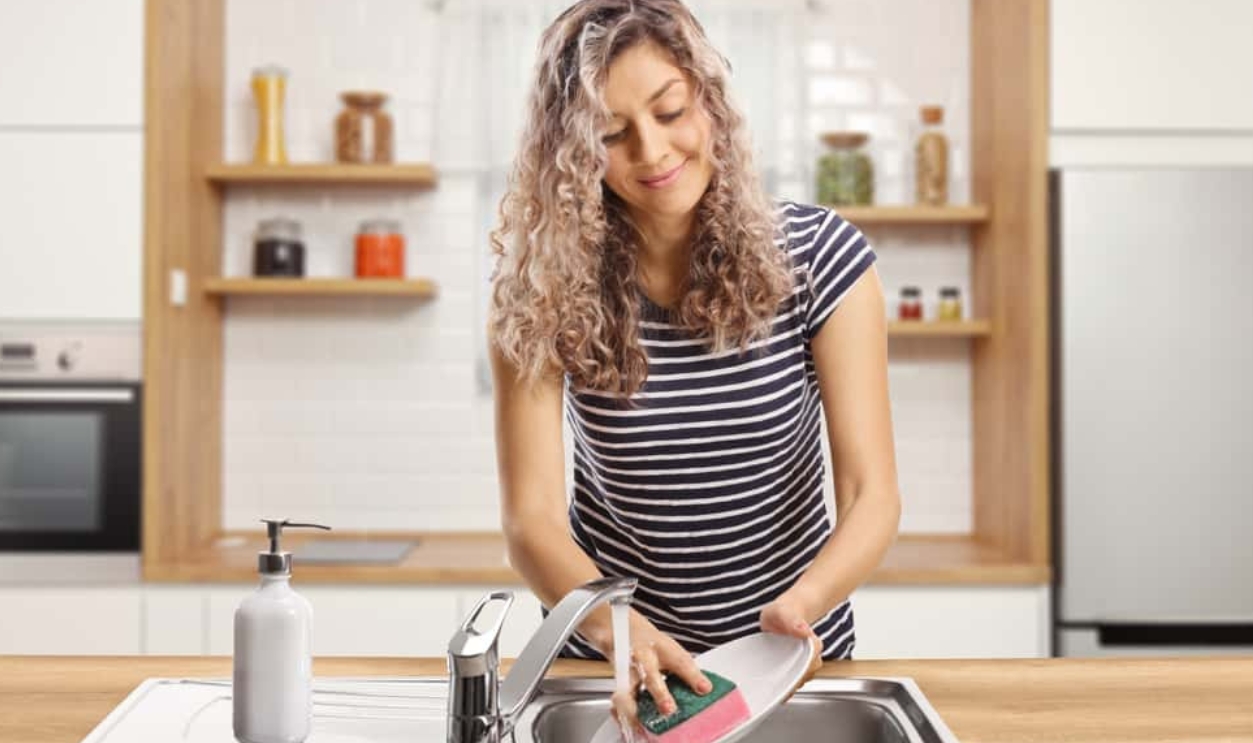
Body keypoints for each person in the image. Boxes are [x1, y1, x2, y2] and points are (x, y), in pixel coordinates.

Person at [487, 0, 900, 728]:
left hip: (789, 666)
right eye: (611, 133)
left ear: (708, 101)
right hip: (616, 670)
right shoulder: (542, 292)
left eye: (669, 110)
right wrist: (626, 634)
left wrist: (797, 608)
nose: (650, 150)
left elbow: (872, 492)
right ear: (571, 153)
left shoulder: (820, 259)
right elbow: (532, 521)